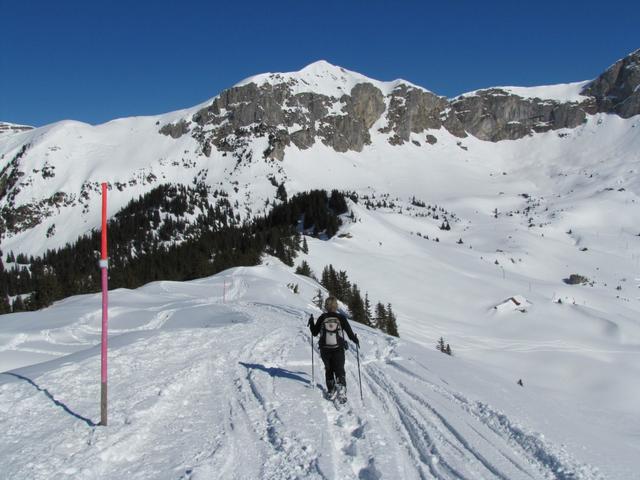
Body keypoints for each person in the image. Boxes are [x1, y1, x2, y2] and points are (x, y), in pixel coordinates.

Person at [308, 296, 359, 400]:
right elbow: (349, 334)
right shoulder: (341, 318)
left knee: (329, 369)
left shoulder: (323, 317)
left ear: (326, 306)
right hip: (338, 348)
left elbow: (314, 333)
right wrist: (355, 339)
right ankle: (341, 390)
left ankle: (331, 390)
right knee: (339, 369)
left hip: (325, 349)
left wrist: (312, 322)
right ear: (336, 306)